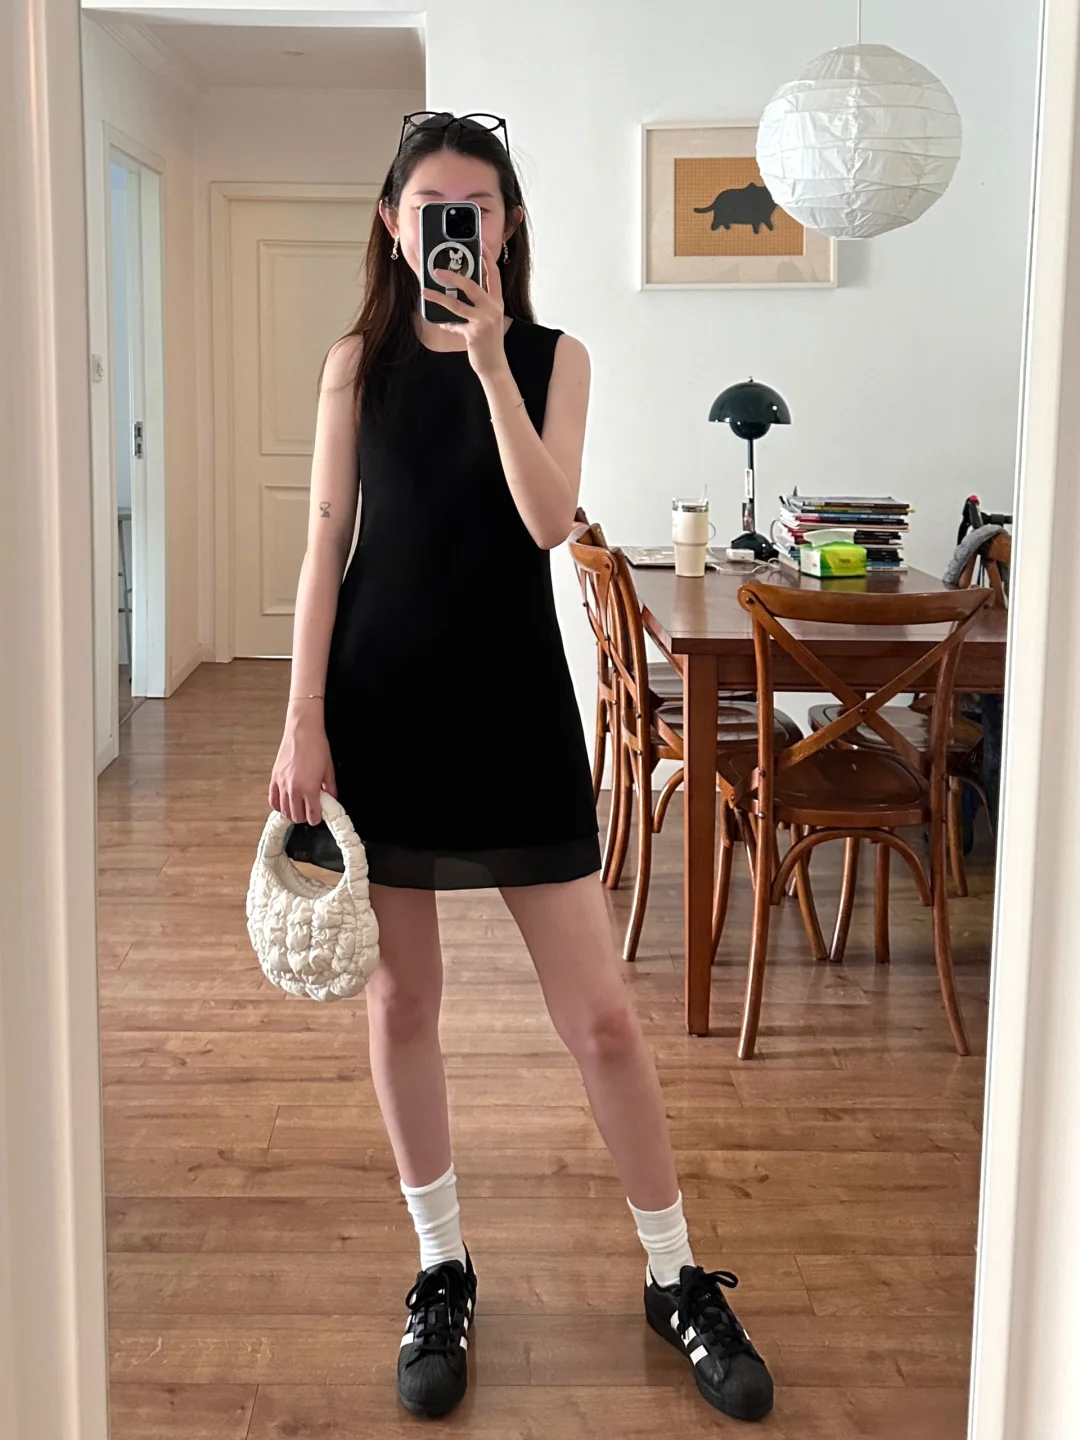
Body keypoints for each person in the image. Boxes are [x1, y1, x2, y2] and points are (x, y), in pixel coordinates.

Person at [269, 111, 774, 1425]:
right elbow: (324, 544)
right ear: (393, 225)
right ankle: (441, 1265)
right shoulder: (355, 365)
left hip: (514, 716)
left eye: (477, 208)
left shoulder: (554, 357)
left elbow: (549, 520)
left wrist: (492, 362)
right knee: (402, 1003)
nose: (456, 228)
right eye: (432, 208)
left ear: (507, 225)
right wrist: (301, 718)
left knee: (601, 1016)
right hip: (378, 711)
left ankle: (673, 1274)